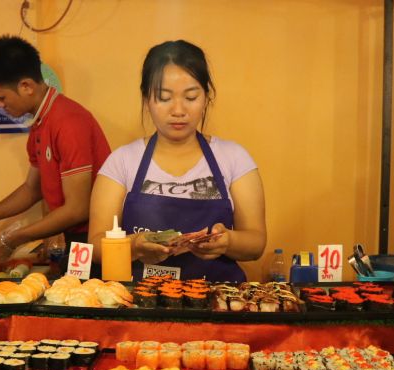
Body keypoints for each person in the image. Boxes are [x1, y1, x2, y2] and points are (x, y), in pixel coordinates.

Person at [88, 40, 266, 281]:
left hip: (215, 307)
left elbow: (256, 243)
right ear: (147, 99)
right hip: (139, 305)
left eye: (191, 97)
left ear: (206, 98)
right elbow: (96, 245)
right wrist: (135, 245)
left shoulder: (234, 158)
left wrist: (228, 241)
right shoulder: (121, 162)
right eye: (164, 97)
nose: (178, 110)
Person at [0, 35, 111, 266]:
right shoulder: (41, 123)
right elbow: (32, 189)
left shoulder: (68, 122)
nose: (0, 105)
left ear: (26, 86)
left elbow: (78, 209)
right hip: (70, 239)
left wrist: (13, 238)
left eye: (0, 97)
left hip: (89, 241)